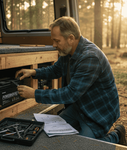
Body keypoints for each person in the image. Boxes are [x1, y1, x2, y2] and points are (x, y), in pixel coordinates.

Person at [15, 16, 126, 145]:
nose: (54, 45)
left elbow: (70, 94)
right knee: (50, 134)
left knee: (80, 146)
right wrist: (34, 72)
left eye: (57, 41)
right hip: (80, 106)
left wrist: (34, 94)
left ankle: (117, 135)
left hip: (98, 112)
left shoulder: (90, 57)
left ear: (71, 38)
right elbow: (56, 70)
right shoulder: (68, 51)